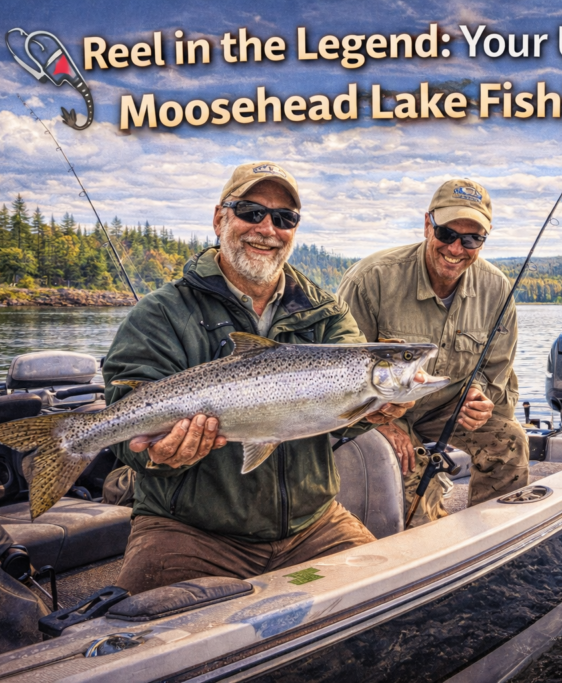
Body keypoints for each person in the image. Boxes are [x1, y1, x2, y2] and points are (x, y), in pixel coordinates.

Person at [103, 161, 409, 594]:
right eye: (251, 211)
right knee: (145, 638)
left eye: (284, 218)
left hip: (313, 525)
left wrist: (381, 409)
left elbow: (346, 413)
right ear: (219, 218)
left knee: (387, 597)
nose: (267, 228)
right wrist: (158, 456)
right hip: (189, 531)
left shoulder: (326, 313)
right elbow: (120, 422)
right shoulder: (160, 312)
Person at [337, 179, 529, 526]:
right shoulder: (372, 279)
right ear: (428, 225)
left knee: (510, 440)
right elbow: (340, 373)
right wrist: (381, 424)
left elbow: (496, 369)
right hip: (382, 413)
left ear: (484, 240)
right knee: (411, 481)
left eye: (472, 239)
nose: (457, 248)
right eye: (446, 234)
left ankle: (495, 541)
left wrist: (478, 396)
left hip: (447, 407)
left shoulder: (497, 289)